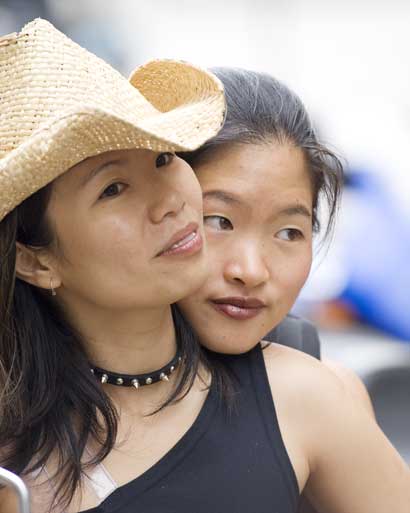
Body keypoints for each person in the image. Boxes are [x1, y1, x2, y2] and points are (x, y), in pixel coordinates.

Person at [0, 18, 228, 512]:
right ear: (34, 261)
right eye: (114, 188)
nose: (169, 202)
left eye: (164, 157)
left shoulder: (299, 395)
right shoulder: (14, 477)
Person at [177, 67, 409, 511]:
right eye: (218, 221)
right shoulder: (30, 393)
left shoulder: (326, 395)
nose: (251, 270)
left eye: (289, 232)